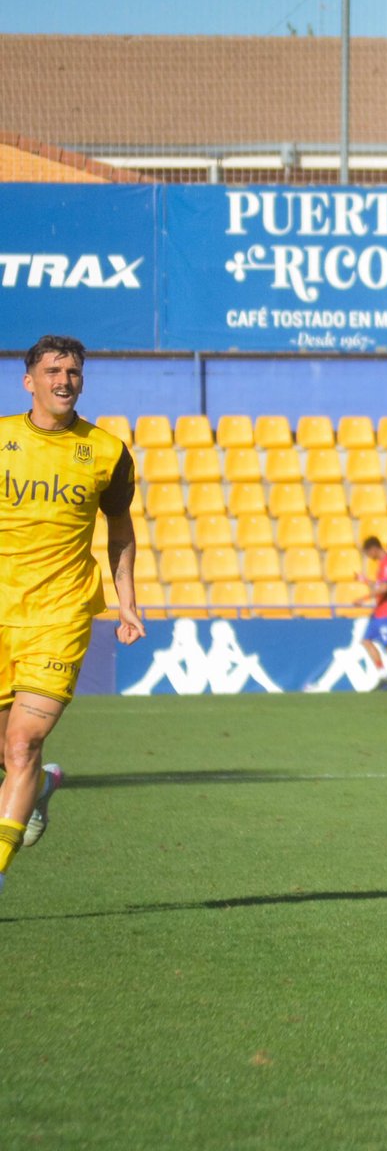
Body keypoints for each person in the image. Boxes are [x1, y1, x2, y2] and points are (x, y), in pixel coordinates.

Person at [0, 335, 145, 896]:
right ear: (28, 380)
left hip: (60, 614)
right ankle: (38, 789)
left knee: (22, 746)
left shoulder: (107, 451)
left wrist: (126, 600)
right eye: (53, 371)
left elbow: (120, 528)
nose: (64, 381)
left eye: (74, 372)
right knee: (8, 750)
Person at [359, 536, 387, 688]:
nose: (368, 556)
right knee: (366, 640)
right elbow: (380, 585)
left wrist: (363, 599)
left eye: (368, 553)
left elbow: (384, 588)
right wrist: (365, 580)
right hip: (379, 611)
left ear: (373, 549)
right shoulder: (382, 564)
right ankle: (382, 674)